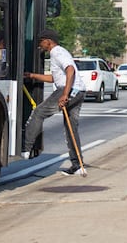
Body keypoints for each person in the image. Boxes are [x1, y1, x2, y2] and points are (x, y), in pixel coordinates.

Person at [22, 29, 87, 176]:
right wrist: (32, 76)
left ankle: (25, 148)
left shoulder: (56, 52)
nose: (40, 45)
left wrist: (64, 94)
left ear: (48, 41)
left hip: (69, 90)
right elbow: (55, 78)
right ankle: (78, 166)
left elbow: (70, 70)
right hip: (79, 91)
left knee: (39, 113)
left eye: (41, 42)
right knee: (71, 128)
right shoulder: (61, 52)